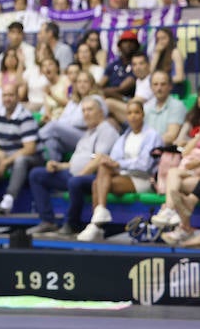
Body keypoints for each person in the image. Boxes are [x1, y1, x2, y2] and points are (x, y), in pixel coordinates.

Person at [25, 96, 118, 236]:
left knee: (75, 182)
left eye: (90, 110)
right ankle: (47, 222)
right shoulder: (87, 133)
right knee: (37, 174)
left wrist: (81, 173)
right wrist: (59, 165)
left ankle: (71, 224)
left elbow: (99, 158)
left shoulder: (106, 130)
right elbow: (75, 162)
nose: (86, 113)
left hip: (95, 177)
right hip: (74, 174)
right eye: (84, 110)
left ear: (101, 112)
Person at [77, 99, 162, 242]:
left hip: (143, 179)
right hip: (124, 176)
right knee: (103, 167)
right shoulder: (124, 137)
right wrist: (112, 163)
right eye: (129, 113)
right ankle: (100, 214)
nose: (133, 116)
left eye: (136, 112)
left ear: (142, 114)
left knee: (96, 184)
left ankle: (95, 225)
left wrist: (119, 164)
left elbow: (145, 164)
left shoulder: (152, 135)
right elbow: (114, 159)